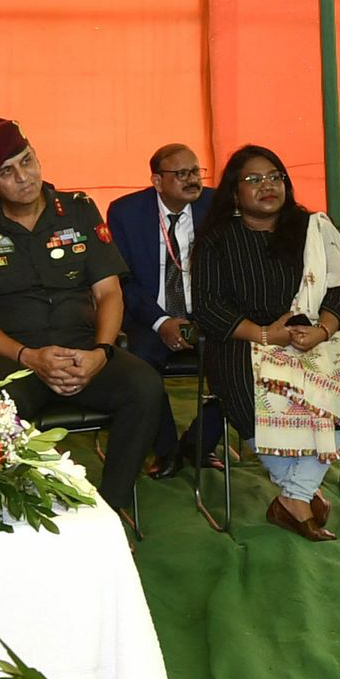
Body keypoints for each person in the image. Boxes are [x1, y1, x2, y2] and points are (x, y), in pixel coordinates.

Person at [0, 118, 172, 524]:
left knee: (145, 386)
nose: (24, 177)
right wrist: (29, 357)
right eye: (7, 172)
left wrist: (101, 352)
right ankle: (14, 515)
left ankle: (109, 510)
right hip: (12, 358)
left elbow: (109, 293)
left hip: (83, 348)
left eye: (27, 161)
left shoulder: (78, 210)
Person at [191, 144, 340, 541]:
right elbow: (207, 307)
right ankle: (300, 494)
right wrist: (264, 335)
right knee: (250, 388)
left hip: (310, 335)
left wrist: (322, 331)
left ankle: (295, 496)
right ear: (234, 192)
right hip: (243, 339)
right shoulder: (215, 240)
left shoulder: (311, 229)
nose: (267, 186)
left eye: (275, 177)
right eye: (254, 179)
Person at [108, 140, 223, 470]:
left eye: (196, 171)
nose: (193, 180)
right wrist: (162, 322)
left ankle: (199, 443)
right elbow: (123, 280)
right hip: (149, 318)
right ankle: (166, 450)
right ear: (157, 181)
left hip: (205, 315)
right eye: (182, 174)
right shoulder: (126, 212)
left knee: (239, 362)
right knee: (139, 366)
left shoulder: (216, 206)